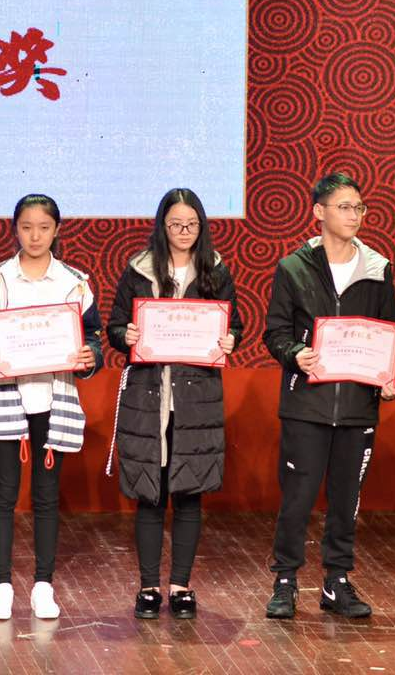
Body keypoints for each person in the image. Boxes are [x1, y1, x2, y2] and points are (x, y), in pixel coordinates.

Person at [262, 172, 395, 621]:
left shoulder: (378, 269)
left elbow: (388, 332)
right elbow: (275, 332)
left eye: (359, 207)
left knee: (346, 500)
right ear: (319, 212)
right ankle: (285, 581)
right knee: (297, 499)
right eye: (344, 207)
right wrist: (295, 354)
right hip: (307, 403)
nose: (354, 215)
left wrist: (389, 377)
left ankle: (336, 581)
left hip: (358, 406)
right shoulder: (293, 268)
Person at [0, 194, 102, 620]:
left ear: (57, 230)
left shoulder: (75, 283)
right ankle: (1, 586)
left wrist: (90, 356)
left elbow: (92, 340)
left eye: (43, 227)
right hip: (5, 398)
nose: (35, 236)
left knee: (46, 495)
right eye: (26, 227)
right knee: (3, 493)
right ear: (15, 229)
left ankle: (43, 585)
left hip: (53, 399)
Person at [106, 188, 242, 621]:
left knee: (188, 493)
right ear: (162, 226)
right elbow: (114, 326)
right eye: (176, 224)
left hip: (195, 399)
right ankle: (148, 586)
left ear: (202, 226)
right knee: (150, 493)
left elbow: (234, 324)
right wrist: (125, 335)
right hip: (149, 395)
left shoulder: (215, 270)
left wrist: (229, 339)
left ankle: (181, 586)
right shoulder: (139, 269)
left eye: (192, 225)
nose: (184, 232)